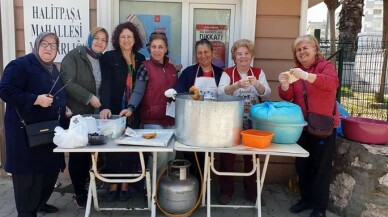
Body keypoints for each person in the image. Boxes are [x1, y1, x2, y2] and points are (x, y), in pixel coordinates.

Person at [0, 32, 67, 216]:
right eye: (45, 44)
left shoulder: (53, 69)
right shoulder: (20, 65)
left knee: (47, 175)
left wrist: (64, 107)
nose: (48, 48)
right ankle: (27, 211)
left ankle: (39, 203)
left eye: (53, 45)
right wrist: (35, 99)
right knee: (28, 179)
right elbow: (5, 90)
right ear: (36, 45)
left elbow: (58, 96)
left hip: (46, 135)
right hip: (25, 137)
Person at [278, 35, 339, 217]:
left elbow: (331, 83)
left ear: (315, 49)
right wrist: (285, 85)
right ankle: (306, 200)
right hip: (303, 126)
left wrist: (307, 76)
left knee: (321, 168)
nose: (302, 52)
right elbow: (287, 97)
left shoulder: (325, 67)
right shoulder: (294, 71)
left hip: (323, 126)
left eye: (306, 48)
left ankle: (320, 208)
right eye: (299, 49)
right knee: (302, 165)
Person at [217, 39, 271, 205]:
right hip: (231, 121)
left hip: (253, 121)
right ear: (234, 56)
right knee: (227, 157)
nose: (243, 57)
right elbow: (220, 92)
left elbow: (267, 93)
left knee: (252, 158)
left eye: (246, 53)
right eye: (239, 54)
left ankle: (252, 193)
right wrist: (236, 85)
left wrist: (257, 85)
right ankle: (226, 192)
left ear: (251, 56)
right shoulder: (227, 73)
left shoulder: (258, 72)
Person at [60, 27, 109, 208]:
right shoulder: (75, 56)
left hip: (96, 115)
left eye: (104, 40)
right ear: (89, 39)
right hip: (78, 113)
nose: (100, 42)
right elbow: (67, 81)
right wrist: (89, 97)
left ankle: (89, 187)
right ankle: (79, 192)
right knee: (78, 155)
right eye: (96, 38)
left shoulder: (102, 59)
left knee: (90, 153)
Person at [99, 22, 146, 201]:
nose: (126, 40)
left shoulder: (141, 59)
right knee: (113, 146)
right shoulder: (109, 57)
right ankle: (112, 182)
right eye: (122, 37)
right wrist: (105, 106)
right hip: (114, 109)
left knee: (129, 146)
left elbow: (142, 87)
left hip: (134, 109)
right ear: (117, 40)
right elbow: (106, 84)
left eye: (129, 37)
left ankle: (125, 182)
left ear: (135, 40)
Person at [164, 38, 223, 181]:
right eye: (199, 53)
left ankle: (203, 187)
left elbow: (225, 95)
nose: (203, 56)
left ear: (212, 52)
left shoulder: (220, 73)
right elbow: (179, 90)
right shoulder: (189, 72)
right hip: (192, 123)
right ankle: (192, 185)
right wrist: (173, 93)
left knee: (206, 156)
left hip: (212, 123)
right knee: (191, 155)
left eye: (206, 52)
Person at [125, 32, 177, 175]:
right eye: (153, 47)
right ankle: (151, 189)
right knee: (159, 155)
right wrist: (130, 107)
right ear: (149, 48)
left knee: (171, 154)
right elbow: (138, 91)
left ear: (166, 49)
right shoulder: (145, 67)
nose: (157, 50)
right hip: (152, 118)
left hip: (171, 119)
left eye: (160, 47)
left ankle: (165, 189)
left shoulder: (172, 69)